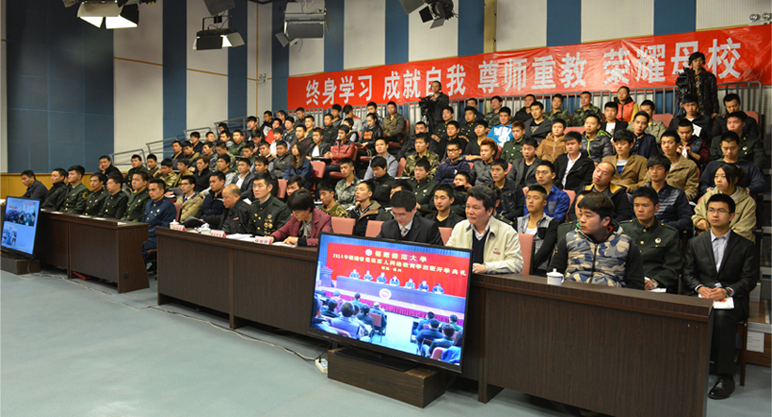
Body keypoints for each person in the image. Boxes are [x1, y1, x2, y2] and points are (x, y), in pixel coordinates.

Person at [683, 193, 757, 400]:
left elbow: (750, 279)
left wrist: (727, 290)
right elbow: (687, 273)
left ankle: (725, 375)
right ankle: (688, 367)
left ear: (731, 216)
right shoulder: (695, 243)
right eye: (711, 210)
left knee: (722, 316)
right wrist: (699, 288)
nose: (715, 215)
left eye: (721, 211)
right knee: (686, 311)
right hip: (703, 295)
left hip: (732, 298)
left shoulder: (746, 245)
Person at [550, 192, 645, 289]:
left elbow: (636, 285)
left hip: (610, 296)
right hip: (572, 293)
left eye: (588, 215)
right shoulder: (569, 239)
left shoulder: (626, 244)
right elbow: (554, 273)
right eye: (581, 214)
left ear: (606, 221)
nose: (582, 220)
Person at [446, 186, 524, 274]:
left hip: (491, 280)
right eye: (468, 207)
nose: (470, 212)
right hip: (463, 278)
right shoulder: (460, 227)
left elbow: (516, 263)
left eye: (475, 208)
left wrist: (487, 268)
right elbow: (447, 255)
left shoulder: (507, 232)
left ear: (489, 211)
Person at [620, 187, 681, 293]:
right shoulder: (623, 229)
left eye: (645, 205)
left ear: (656, 207)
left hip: (654, 286)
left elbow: (673, 268)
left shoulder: (669, 234)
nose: (640, 209)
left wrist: (655, 282)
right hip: (625, 283)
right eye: (636, 205)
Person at [694, 163, 756, 241]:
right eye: (716, 176)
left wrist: (721, 238)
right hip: (709, 239)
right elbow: (697, 214)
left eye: (723, 177)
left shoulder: (747, 201)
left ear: (735, 180)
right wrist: (699, 220)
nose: (718, 180)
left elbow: (744, 229)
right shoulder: (708, 196)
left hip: (736, 242)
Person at [700, 131, 766, 197]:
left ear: (739, 146)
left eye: (733, 148)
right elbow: (703, 183)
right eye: (725, 148)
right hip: (716, 197)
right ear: (721, 146)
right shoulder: (712, 165)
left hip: (741, 197)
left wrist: (748, 190)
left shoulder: (749, 166)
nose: (729, 152)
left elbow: (760, 183)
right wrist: (708, 190)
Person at [516, 186, 559, 276]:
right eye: (528, 198)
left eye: (536, 198)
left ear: (544, 202)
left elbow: (546, 249)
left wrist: (528, 266)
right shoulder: (518, 221)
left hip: (539, 269)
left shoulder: (551, 223)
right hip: (516, 266)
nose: (531, 201)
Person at [642, 156, 693, 232]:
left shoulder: (678, 194)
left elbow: (687, 220)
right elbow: (631, 217)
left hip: (667, 232)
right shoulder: (640, 193)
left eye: (659, 168)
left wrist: (664, 226)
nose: (654, 172)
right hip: (642, 232)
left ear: (667, 172)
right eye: (651, 168)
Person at [647, 130, 700, 201]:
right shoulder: (655, 162)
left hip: (678, 200)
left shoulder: (689, 165)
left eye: (670, 142)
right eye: (663, 143)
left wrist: (682, 199)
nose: (666, 146)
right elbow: (646, 182)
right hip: (654, 199)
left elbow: (692, 188)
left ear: (678, 145)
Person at [377, 190, 443, 245]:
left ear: (414, 209)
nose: (398, 218)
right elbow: (376, 247)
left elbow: (438, 253)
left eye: (402, 215)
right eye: (394, 214)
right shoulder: (386, 226)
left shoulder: (428, 228)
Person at [140, 178, 176, 267]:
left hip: (156, 238)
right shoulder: (149, 203)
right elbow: (144, 220)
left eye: (153, 190)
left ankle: (139, 271)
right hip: (146, 235)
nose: (151, 193)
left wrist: (146, 232)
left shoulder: (168, 206)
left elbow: (164, 228)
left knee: (138, 245)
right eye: (149, 190)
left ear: (162, 191)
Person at [683, 51, 720, 120]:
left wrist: (715, 110)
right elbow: (681, 91)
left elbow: (713, 94)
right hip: (690, 107)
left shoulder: (709, 76)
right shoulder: (686, 76)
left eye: (700, 60)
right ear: (691, 62)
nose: (698, 63)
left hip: (705, 107)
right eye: (695, 61)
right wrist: (682, 101)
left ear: (703, 61)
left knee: (705, 124)